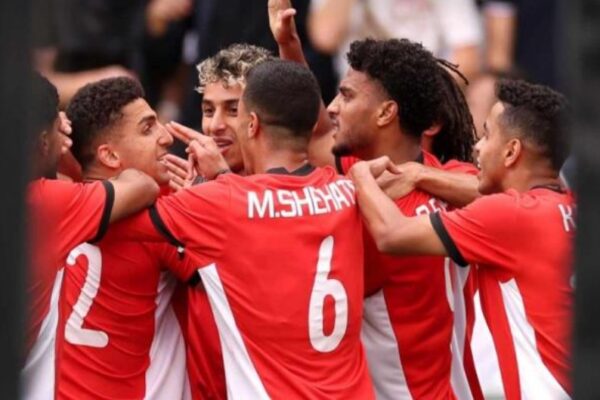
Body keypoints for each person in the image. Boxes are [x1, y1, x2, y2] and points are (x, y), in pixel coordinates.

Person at [112, 59, 375, 398]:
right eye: (208, 110)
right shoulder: (348, 190)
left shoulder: (217, 204)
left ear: (251, 124)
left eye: (234, 111)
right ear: (312, 126)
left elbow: (108, 217)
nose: (217, 125)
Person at [350, 79, 573, 399]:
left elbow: (391, 234)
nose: (477, 147)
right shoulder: (573, 207)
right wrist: (419, 174)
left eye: (487, 135)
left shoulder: (510, 215)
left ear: (511, 151)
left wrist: (360, 177)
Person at [51, 77, 194, 399]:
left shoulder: (54, 205)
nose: (166, 137)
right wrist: (211, 192)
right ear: (110, 156)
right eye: (147, 129)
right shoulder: (163, 216)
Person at [22, 73, 159, 400]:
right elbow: (141, 186)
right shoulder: (45, 202)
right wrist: (73, 162)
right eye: (58, 131)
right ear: (43, 142)